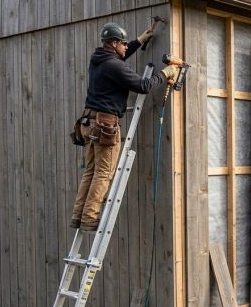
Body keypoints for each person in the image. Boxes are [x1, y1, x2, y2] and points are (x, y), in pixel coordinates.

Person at [70, 23, 178, 231]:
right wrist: (166, 73)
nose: (126, 46)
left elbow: (118, 60)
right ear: (114, 43)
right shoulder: (114, 65)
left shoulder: (99, 59)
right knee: (103, 173)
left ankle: (78, 216)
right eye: (123, 43)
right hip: (104, 125)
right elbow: (143, 86)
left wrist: (138, 41)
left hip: (88, 123)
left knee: (91, 171)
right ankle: (90, 218)